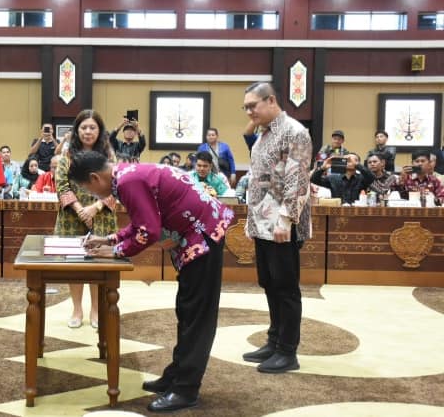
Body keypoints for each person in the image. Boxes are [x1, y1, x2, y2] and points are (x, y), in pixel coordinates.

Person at [70, 150, 234, 413]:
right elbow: (142, 222)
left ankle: (186, 389)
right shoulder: (125, 175)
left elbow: (149, 231)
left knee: (197, 317)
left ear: (93, 177)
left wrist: (116, 251)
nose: (92, 195)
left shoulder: (126, 182)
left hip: (203, 237)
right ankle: (176, 375)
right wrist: (111, 239)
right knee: (187, 311)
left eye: (87, 189)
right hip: (198, 234)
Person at [242, 82, 312, 374]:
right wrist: (253, 219)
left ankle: (288, 351)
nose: (248, 112)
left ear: (271, 100)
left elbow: (298, 179)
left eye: (252, 106)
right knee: (268, 282)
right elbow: (259, 176)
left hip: (283, 222)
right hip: (262, 221)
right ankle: (274, 341)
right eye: (245, 107)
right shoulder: (263, 134)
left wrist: (286, 219)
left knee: (285, 287)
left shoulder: (295, 131)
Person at [55, 109, 116, 329]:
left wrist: (95, 207)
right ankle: (77, 309)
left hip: (101, 217)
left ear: (99, 131)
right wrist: (81, 209)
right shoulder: (67, 155)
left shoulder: (108, 156)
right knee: (75, 265)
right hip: (72, 216)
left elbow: (116, 186)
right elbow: (61, 184)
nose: (88, 132)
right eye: (83, 127)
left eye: (92, 127)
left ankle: (96, 311)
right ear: (76, 130)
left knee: (97, 264)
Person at [310, 153, 375, 204]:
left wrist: (357, 165)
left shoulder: (361, 178)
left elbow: (371, 177)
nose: (350, 162)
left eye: (354, 160)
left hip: (357, 213)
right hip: (337, 213)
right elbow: (314, 179)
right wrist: (323, 168)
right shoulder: (333, 178)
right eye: (347, 160)